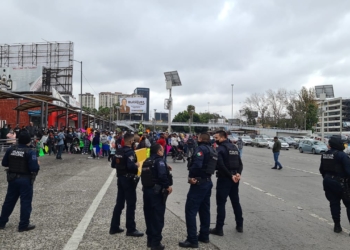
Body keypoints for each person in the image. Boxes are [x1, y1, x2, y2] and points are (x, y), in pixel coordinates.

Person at [179, 133, 216, 248]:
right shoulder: (212, 150)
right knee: (204, 210)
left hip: (198, 183)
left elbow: (197, 164)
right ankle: (204, 236)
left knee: (190, 210)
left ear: (200, 139)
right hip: (208, 181)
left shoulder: (200, 149)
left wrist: (191, 177)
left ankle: (192, 239)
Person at [0, 131, 40, 232]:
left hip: (12, 178)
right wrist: (37, 163)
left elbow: (4, 163)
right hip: (25, 179)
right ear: (28, 140)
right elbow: (34, 168)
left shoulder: (11, 149)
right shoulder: (30, 152)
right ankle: (23, 225)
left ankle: (2, 222)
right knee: (25, 202)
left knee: (9, 201)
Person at [210, 130, 243, 236]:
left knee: (221, 204)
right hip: (234, 179)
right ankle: (240, 225)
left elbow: (221, 165)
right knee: (235, 202)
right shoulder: (234, 147)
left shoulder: (220, 149)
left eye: (216, 138)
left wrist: (232, 175)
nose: (215, 140)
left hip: (225, 179)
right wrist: (238, 173)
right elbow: (240, 163)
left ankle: (219, 229)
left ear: (223, 137)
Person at [110, 133, 143, 237]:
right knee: (131, 204)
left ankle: (114, 227)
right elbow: (131, 166)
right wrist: (136, 165)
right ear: (131, 141)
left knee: (119, 203)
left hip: (120, 179)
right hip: (128, 180)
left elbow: (113, 164)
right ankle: (131, 229)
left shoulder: (119, 151)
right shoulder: (130, 153)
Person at [142, 143, 173, 250]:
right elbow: (162, 175)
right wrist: (167, 186)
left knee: (149, 216)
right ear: (158, 151)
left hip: (147, 191)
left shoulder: (147, 161)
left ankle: (150, 240)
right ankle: (156, 243)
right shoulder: (159, 161)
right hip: (157, 192)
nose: (163, 151)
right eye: (162, 149)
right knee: (157, 217)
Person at [319, 136, 350, 234]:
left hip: (328, 182)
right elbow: (349, 171)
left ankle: (337, 226)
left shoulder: (325, 155)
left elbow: (321, 170)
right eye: (343, 143)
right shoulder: (342, 155)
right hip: (341, 183)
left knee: (334, 203)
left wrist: (328, 178)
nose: (344, 145)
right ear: (338, 144)